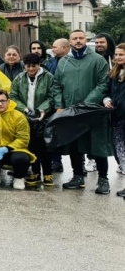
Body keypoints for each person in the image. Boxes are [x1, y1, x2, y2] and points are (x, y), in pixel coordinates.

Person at [54, 30, 113, 193]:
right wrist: (59, 105)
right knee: (74, 145)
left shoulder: (98, 60)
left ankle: (103, 180)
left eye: (81, 38)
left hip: (92, 112)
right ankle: (78, 176)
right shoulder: (63, 62)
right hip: (71, 113)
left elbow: (103, 84)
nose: (78, 41)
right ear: (70, 41)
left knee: (98, 145)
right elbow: (57, 85)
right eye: (75, 38)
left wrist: (86, 104)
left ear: (86, 40)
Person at [10, 53, 55, 187]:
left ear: (39, 65)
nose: (30, 69)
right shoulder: (19, 78)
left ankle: (48, 173)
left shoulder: (48, 77)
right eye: (28, 66)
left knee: (45, 146)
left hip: (44, 116)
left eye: (33, 66)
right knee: (31, 145)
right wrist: (24, 109)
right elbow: (13, 96)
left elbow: (52, 96)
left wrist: (43, 109)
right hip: (26, 116)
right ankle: (35, 172)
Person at [0, 90, 35, 190]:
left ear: (8, 101)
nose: (0, 103)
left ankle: (19, 177)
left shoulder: (19, 116)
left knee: (21, 159)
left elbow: (23, 138)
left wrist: (7, 148)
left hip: (15, 149)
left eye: (3, 101)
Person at [104, 43, 125, 185]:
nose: (117, 57)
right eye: (116, 54)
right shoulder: (114, 73)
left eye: (121, 54)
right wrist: (107, 100)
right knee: (120, 149)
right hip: (117, 117)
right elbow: (108, 92)